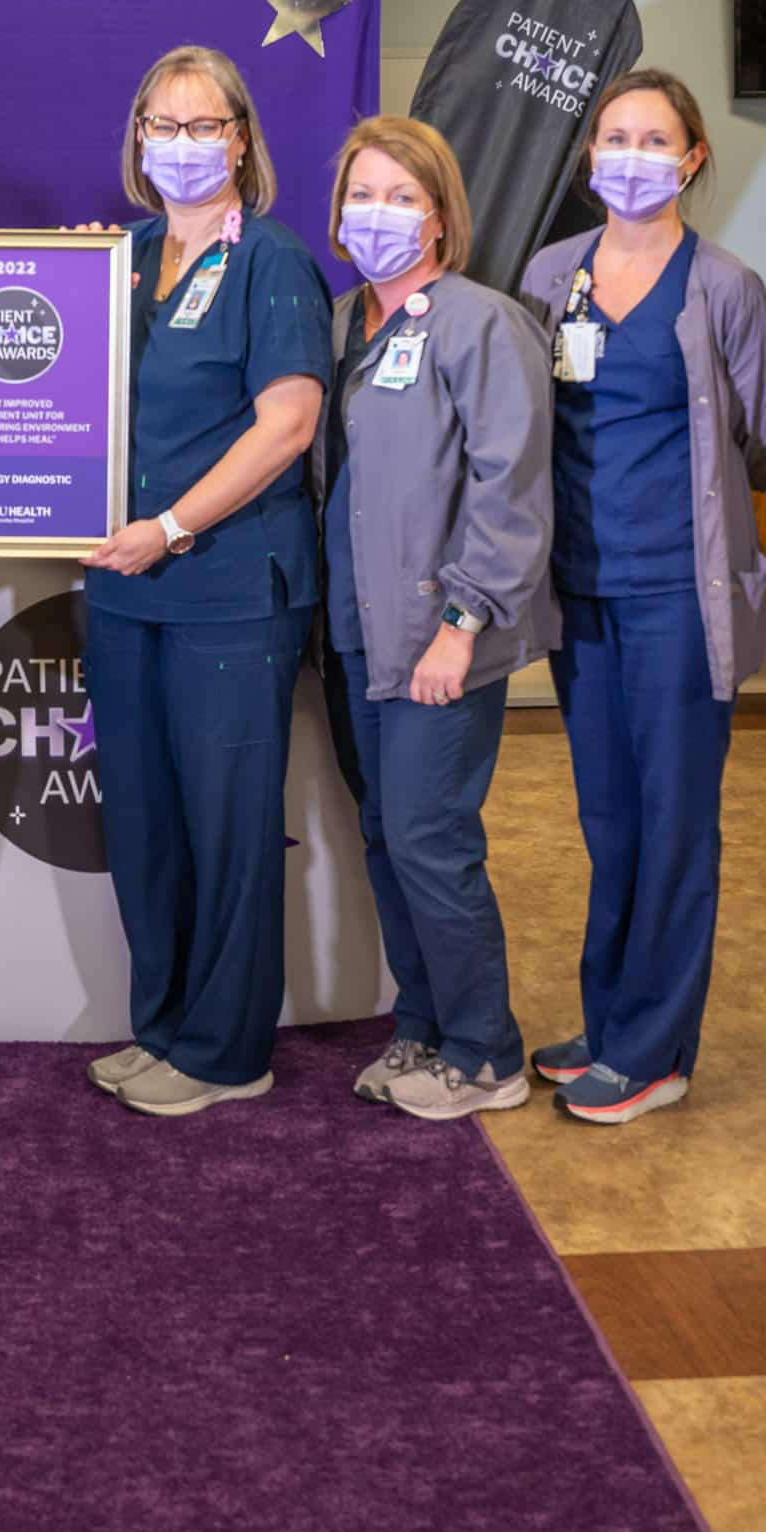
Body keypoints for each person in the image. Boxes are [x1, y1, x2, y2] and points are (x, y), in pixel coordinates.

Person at [518, 72, 766, 1126]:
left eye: (653, 139)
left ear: (688, 161)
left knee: (675, 819)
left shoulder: (722, 286)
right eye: (613, 136)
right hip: (578, 590)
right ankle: (612, 1019)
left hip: (680, 596)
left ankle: (656, 1051)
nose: (629, 154)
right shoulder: (552, 274)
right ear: (590, 154)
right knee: (609, 817)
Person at [75, 46, 332, 1119]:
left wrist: (172, 526)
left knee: (227, 825)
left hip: (226, 584)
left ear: (240, 138)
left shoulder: (271, 260)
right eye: (162, 126)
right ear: (139, 140)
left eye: (203, 125)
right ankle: (165, 1025)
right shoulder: (119, 256)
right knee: (144, 821)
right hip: (123, 592)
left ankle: (228, 1050)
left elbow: (290, 423)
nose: (182, 145)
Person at [315, 117, 556, 1121]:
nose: (378, 215)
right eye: (361, 196)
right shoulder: (339, 324)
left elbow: (511, 485)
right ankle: (421, 1029)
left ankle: (485, 1050)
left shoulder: (480, 321)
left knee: (429, 834)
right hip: (356, 628)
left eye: (401, 197)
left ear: (441, 215)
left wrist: (462, 622)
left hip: (441, 632)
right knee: (385, 834)